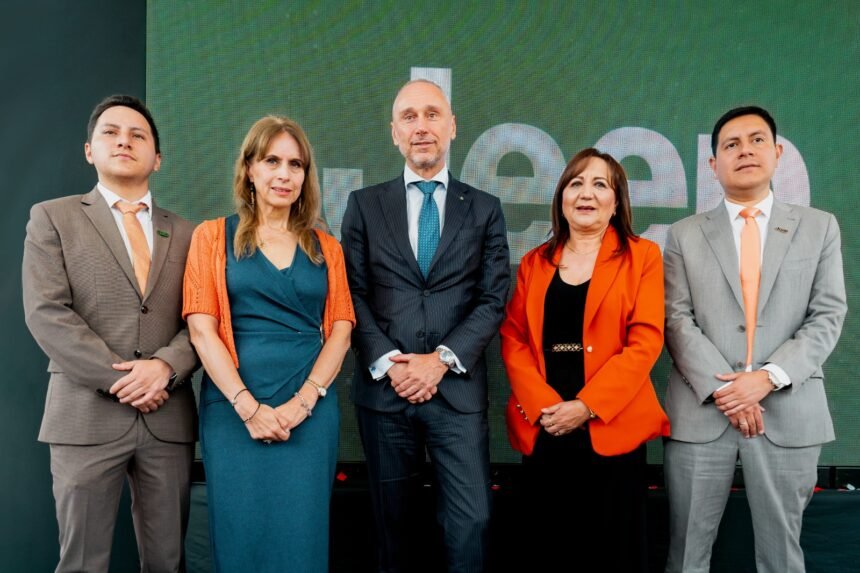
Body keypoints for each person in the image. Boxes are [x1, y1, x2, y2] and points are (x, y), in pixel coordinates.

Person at [663, 106, 847, 572]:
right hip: (702, 413)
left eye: (756, 140)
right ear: (713, 164)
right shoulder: (683, 235)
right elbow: (676, 318)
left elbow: (828, 314)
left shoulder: (819, 226)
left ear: (778, 152)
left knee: (782, 555)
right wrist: (730, 391)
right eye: (731, 145)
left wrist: (766, 378)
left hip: (788, 411)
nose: (745, 151)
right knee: (686, 555)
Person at [22, 94, 198, 572]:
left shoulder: (190, 234)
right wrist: (126, 380)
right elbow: (46, 312)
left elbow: (202, 320)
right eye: (111, 133)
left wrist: (164, 368)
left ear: (157, 159)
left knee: (168, 563)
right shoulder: (52, 217)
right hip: (85, 416)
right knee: (82, 563)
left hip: (168, 418)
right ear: (89, 150)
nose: (124, 141)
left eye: (138, 135)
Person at [340, 79, 510, 572]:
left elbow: (493, 297)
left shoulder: (485, 209)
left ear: (452, 126)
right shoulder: (364, 205)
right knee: (393, 529)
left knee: (472, 522)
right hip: (384, 393)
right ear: (394, 132)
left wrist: (439, 362)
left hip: (456, 392)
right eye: (409, 117)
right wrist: (392, 364)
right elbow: (351, 293)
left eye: (432, 114)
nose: (421, 127)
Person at [182, 116, 354, 572]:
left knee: (301, 539)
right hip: (232, 410)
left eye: (295, 164)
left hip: (310, 413)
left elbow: (341, 331)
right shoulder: (209, 237)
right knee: (241, 539)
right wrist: (248, 408)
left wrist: (304, 402)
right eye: (272, 161)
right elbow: (202, 330)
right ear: (250, 169)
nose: (284, 174)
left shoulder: (327, 248)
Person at [500, 147, 670, 571]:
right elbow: (514, 338)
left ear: (617, 200)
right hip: (546, 427)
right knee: (549, 549)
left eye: (600, 184)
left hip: (611, 427)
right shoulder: (534, 263)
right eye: (576, 183)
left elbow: (645, 341)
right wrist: (546, 407)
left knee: (612, 552)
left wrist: (587, 406)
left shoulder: (643, 256)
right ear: (561, 198)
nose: (586, 193)